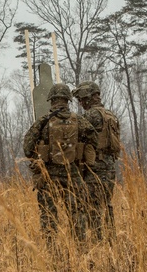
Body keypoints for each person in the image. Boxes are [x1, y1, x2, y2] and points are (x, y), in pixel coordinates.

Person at [22, 83, 98, 240]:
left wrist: (39, 155)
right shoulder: (79, 121)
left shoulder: (43, 122)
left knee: (48, 213)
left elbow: (27, 147)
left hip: (48, 174)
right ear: (68, 100)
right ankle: (80, 248)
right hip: (73, 174)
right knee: (77, 212)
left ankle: (52, 252)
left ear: (51, 101)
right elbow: (94, 139)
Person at [74, 80, 122, 238]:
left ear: (87, 97)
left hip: (94, 168)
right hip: (110, 168)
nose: (80, 103)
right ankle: (110, 239)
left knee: (93, 206)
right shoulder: (111, 115)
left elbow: (78, 139)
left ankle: (98, 240)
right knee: (106, 204)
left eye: (81, 99)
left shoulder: (90, 116)